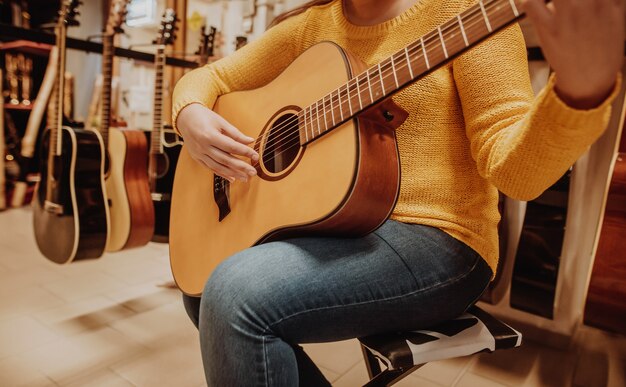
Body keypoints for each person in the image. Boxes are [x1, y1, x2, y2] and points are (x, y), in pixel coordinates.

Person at [171, 0, 624, 385]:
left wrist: (579, 96)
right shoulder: (310, 26)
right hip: (341, 226)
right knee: (199, 283)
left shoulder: (467, 11)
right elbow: (210, 78)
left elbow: (516, 175)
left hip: (440, 242)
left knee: (235, 294)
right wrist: (189, 115)